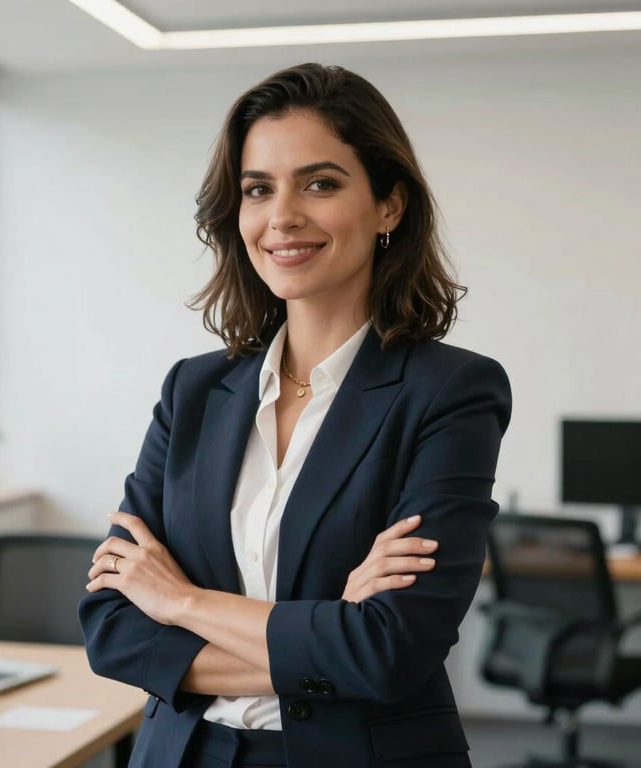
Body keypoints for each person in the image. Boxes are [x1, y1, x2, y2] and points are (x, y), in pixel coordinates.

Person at [78, 63, 512, 768]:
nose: (283, 216)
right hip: (182, 754)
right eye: (258, 189)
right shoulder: (192, 393)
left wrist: (180, 603)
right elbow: (112, 630)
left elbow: (391, 651)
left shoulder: (451, 392)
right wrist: (331, 631)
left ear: (389, 207)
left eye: (320, 183)